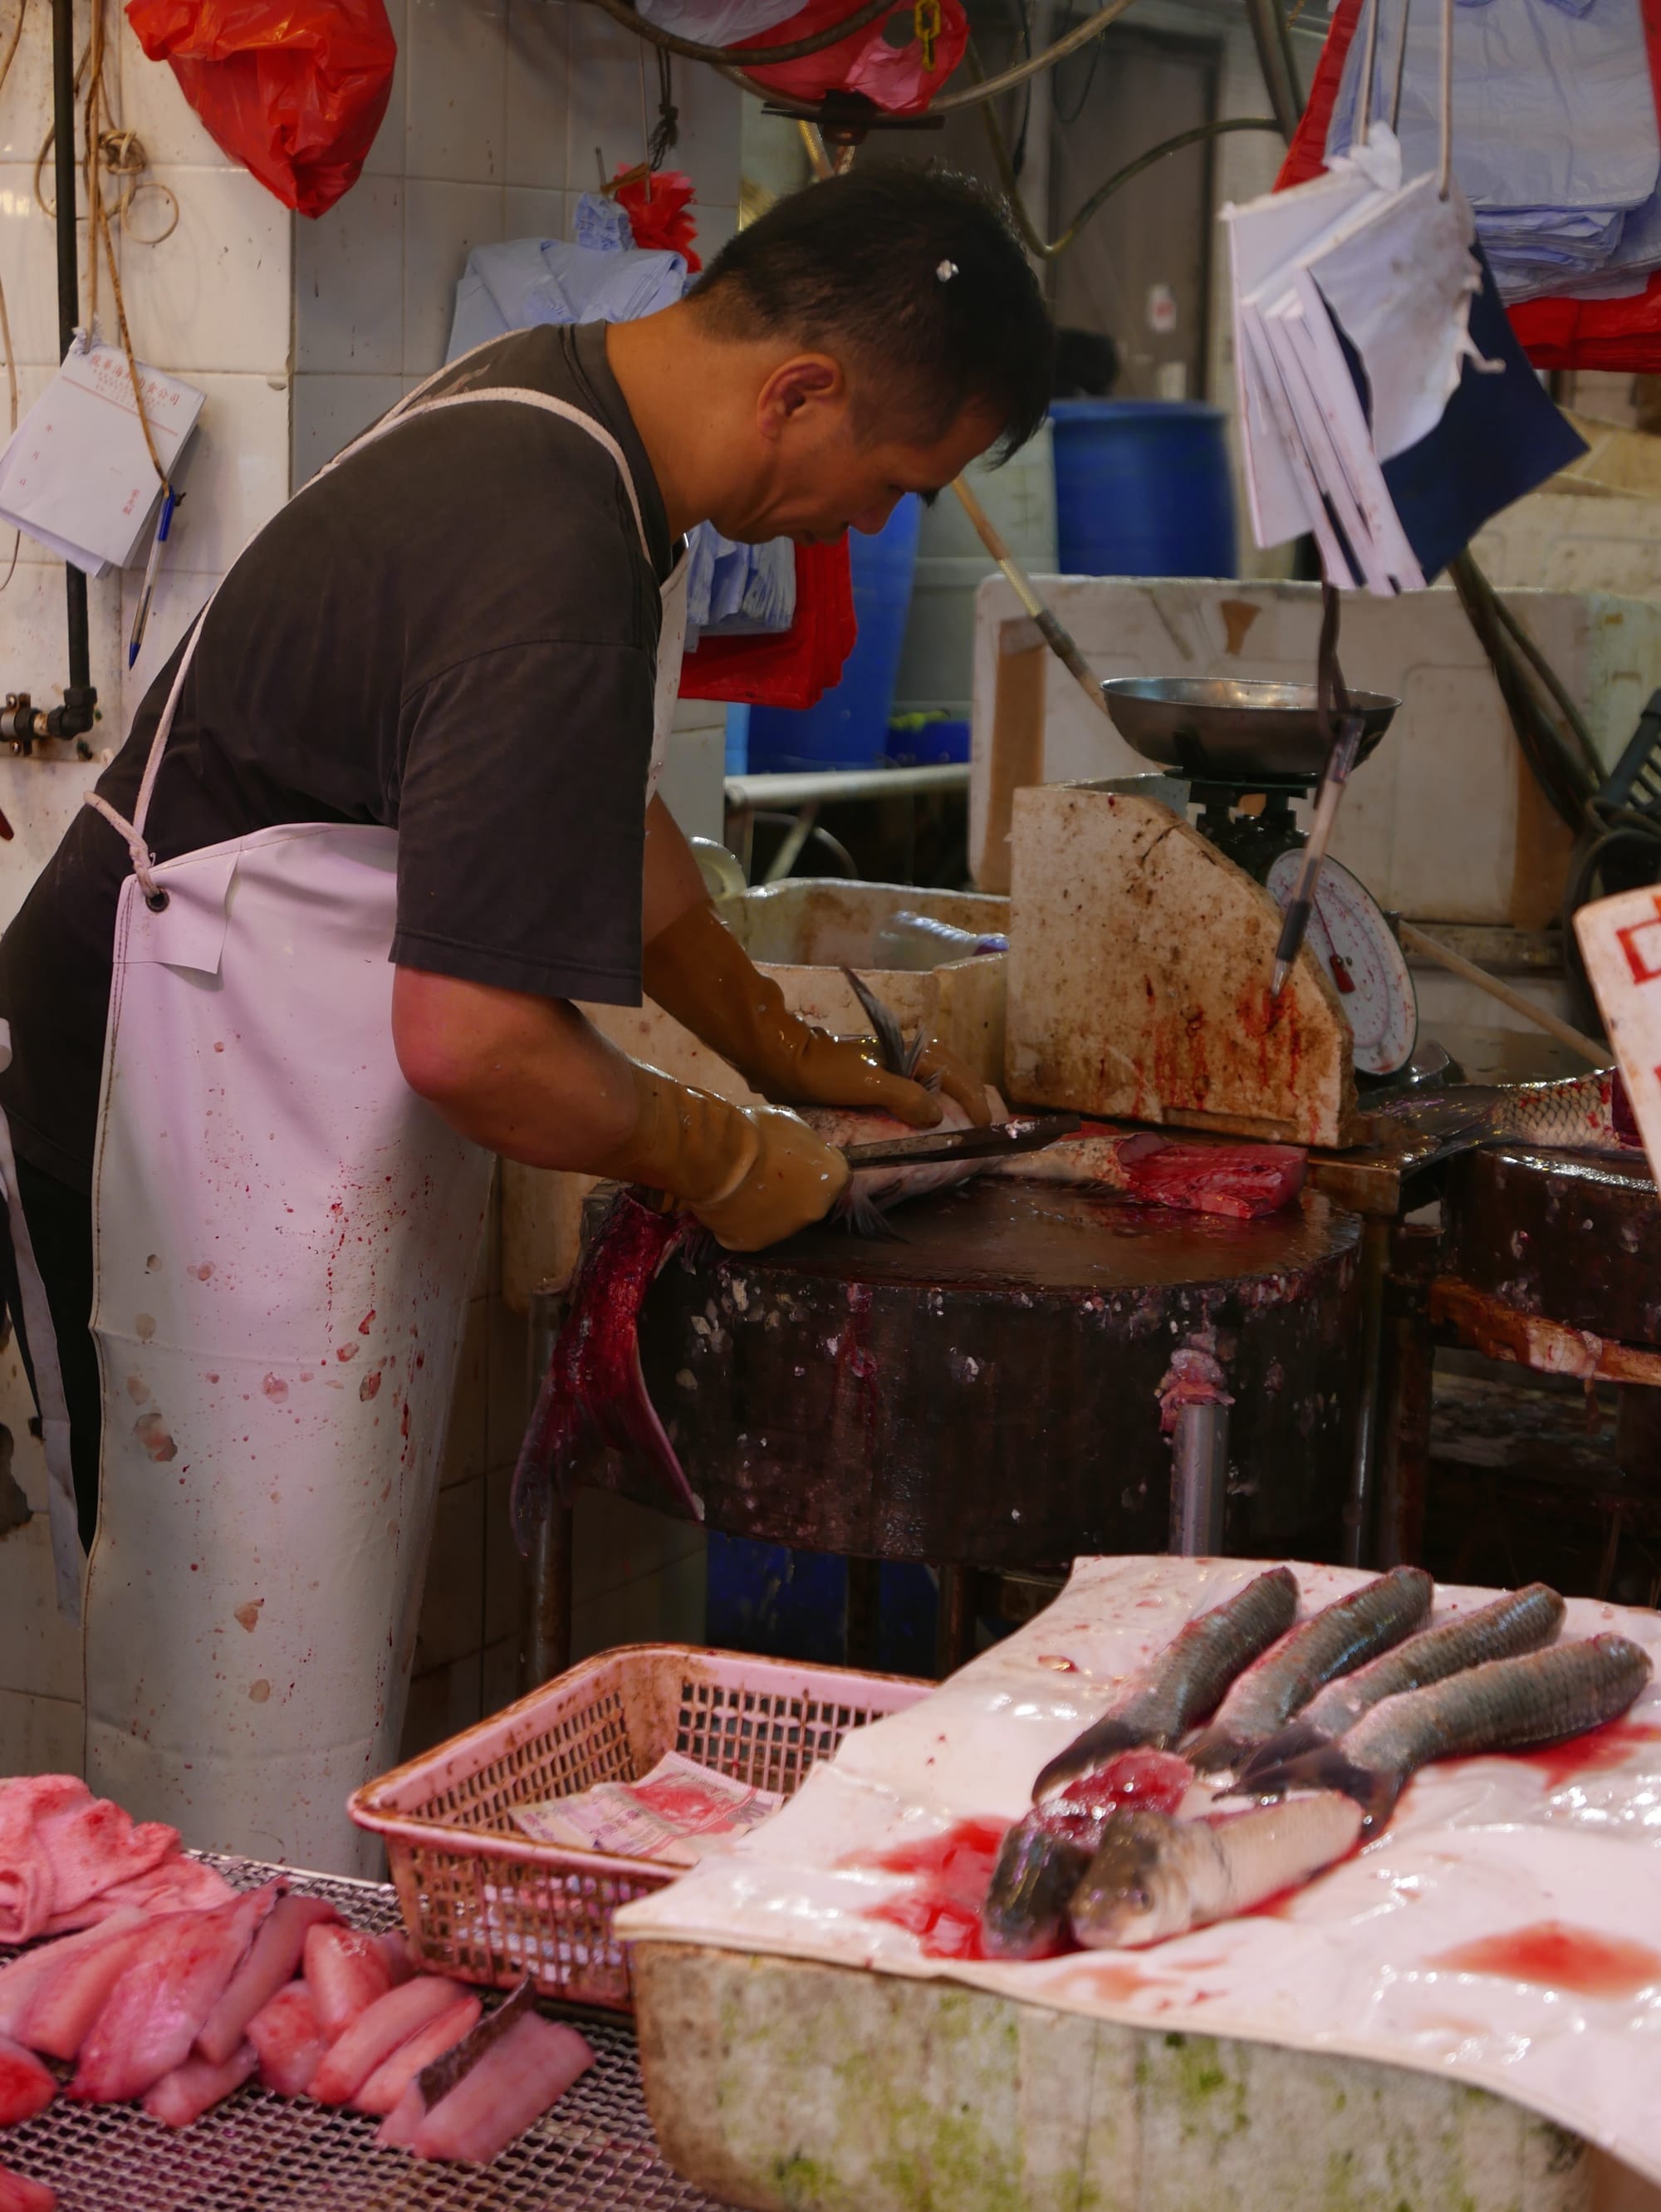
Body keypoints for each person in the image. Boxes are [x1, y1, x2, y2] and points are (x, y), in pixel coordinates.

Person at [0, 165, 1055, 1872]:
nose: (864, 530)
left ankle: (260, 1976)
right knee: (232, 1653)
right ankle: (190, 2042)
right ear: (804, 392)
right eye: (887, 484)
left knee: (301, 1612)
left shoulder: (564, 409)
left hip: (265, 1067)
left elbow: (598, 809)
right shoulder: (552, 537)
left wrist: (773, 1043)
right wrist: (730, 1157)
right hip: (175, 1088)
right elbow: (478, 1046)